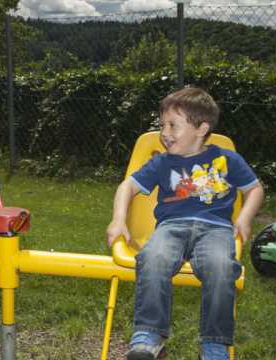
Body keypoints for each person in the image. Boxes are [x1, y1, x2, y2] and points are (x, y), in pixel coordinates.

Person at [105, 87, 264, 360]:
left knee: (221, 266)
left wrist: (245, 218)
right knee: (152, 258)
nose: (164, 133)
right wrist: (118, 220)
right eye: (162, 125)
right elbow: (127, 187)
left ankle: (214, 345)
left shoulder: (225, 159)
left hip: (216, 229)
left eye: (172, 126)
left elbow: (255, 189)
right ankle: (149, 336)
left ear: (201, 128)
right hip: (172, 227)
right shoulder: (162, 163)